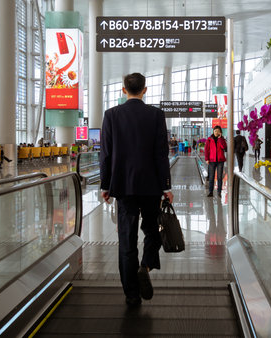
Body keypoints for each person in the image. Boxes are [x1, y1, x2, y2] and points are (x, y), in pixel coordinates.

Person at [100, 73, 173, 307]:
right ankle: (146, 265)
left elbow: (106, 153)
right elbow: (161, 155)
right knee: (153, 231)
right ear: (145, 90)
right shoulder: (156, 115)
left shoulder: (111, 115)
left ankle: (131, 294)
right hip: (151, 186)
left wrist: (105, 185)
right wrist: (166, 186)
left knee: (126, 239)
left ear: (124, 90)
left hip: (123, 186)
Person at [205, 125, 227, 197]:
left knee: (219, 177)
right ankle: (211, 192)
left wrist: (220, 138)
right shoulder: (209, 139)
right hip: (212, 160)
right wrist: (207, 159)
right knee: (211, 177)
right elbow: (206, 150)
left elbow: (224, 147)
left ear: (220, 132)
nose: (216, 132)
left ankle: (219, 192)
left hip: (220, 161)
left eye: (218, 131)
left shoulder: (222, 139)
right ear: (213, 131)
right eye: (215, 131)